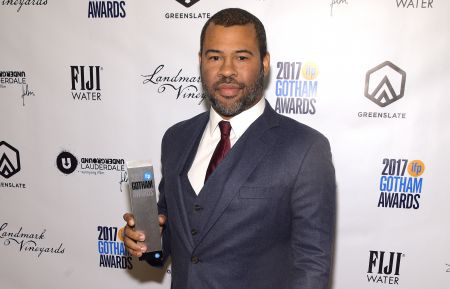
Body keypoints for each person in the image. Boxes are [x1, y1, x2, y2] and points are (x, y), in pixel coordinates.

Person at [123, 7, 336, 289]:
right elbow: (169, 238)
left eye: (241, 57)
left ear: (264, 62)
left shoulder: (305, 148)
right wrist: (143, 239)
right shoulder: (176, 138)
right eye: (214, 57)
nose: (226, 70)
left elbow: (312, 267)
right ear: (200, 62)